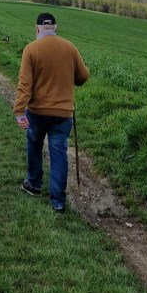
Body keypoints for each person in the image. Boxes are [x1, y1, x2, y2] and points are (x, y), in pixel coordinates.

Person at [14, 12, 89, 213]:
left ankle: (34, 184)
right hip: (63, 112)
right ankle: (57, 201)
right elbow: (83, 77)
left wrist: (19, 110)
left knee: (34, 144)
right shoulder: (70, 47)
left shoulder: (31, 49)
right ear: (55, 28)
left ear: (37, 28)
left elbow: (24, 84)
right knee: (58, 152)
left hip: (37, 111)